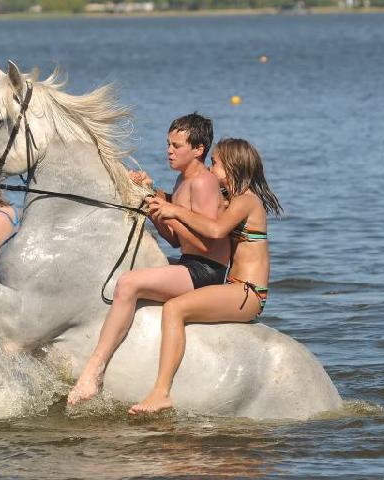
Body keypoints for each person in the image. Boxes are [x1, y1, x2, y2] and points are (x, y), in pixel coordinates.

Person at [67, 113, 229, 405]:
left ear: (198, 150)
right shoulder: (182, 179)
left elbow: (207, 244)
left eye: (177, 145)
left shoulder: (203, 182)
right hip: (188, 262)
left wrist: (170, 212)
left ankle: (94, 369)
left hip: (206, 270)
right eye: (168, 143)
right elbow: (176, 239)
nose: (169, 150)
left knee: (128, 283)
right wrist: (152, 205)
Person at [132, 138, 283, 415]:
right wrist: (151, 190)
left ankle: (161, 392)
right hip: (234, 288)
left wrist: (174, 211)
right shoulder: (230, 200)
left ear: (233, 167)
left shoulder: (246, 202)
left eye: (215, 163)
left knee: (174, 309)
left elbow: (214, 230)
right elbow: (192, 211)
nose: (210, 169)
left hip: (247, 293)